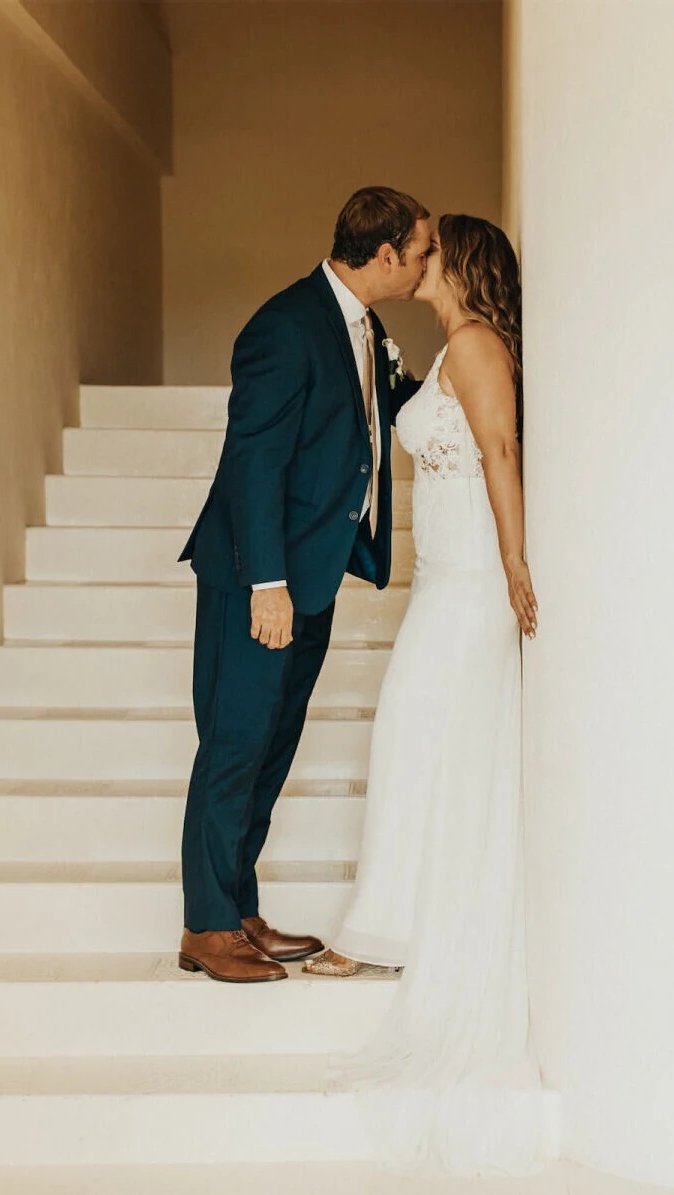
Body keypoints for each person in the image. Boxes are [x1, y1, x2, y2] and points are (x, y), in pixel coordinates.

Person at [302, 215, 545, 1174]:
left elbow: (500, 454)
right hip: (441, 584)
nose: (419, 256)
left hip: (473, 587)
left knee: (410, 739)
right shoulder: (446, 347)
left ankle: (386, 932)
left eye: (432, 247)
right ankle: (392, 922)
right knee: (418, 746)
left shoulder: (479, 345)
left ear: (461, 264)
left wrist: (517, 562)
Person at [175, 187, 432, 984]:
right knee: (235, 743)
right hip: (262, 580)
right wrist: (269, 585)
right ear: (384, 254)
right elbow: (253, 461)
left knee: (273, 744)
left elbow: (389, 407)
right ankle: (205, 927)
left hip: (314, 576)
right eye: (421, 252)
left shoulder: (364, 327)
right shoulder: (285, 327)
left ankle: (238, 906)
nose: (427, 266)